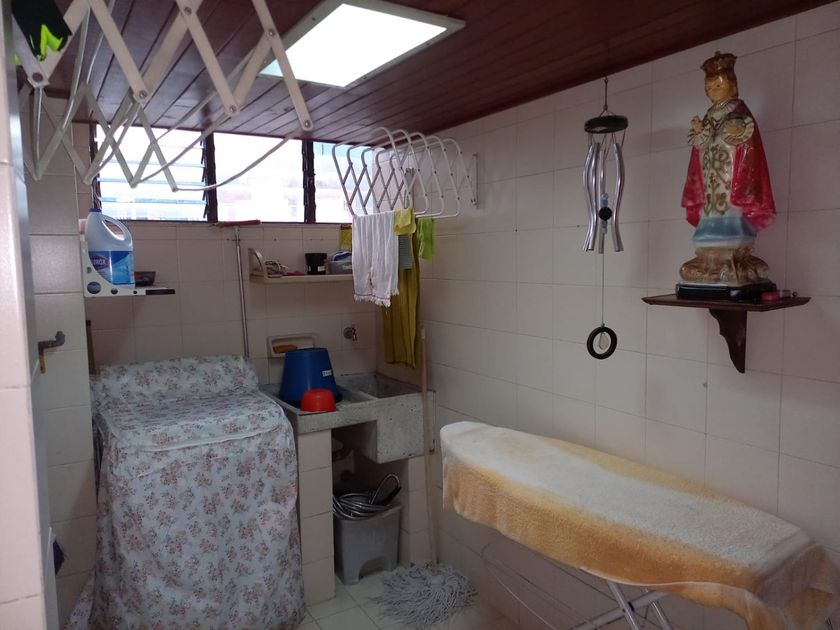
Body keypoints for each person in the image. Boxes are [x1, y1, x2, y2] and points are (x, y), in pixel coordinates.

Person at [679, 52, 776, 287]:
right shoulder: (709, 115)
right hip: (711, 178)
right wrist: (700, 133)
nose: (713, 91)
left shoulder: (739, 112)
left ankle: (734, 258)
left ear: (732, 85)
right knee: (710, 210)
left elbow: (747, 143)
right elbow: (700, 145)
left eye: (718, 85)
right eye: (709, 87)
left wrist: (733, 133)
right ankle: (709, 258)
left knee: (731, 210)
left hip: (731, 174)